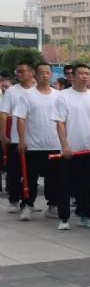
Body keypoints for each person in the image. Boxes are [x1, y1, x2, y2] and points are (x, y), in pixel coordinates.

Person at [52, 64, 90, 230]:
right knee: (66, 184)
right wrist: (65, 145)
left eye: (88, 74)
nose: (85, 76)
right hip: (71, 150)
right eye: (81, 73)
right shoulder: (63, 96)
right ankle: (64, 218)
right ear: (72, 76)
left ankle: (85, 215)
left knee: (88, 185)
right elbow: (60, 123)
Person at [14, 62, 61, 221]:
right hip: (33, 145)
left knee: (54, 179)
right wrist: (22, 140)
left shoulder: (58, 95)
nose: (44, 76)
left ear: (51, 74)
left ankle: (53, 206)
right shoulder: (27, 95)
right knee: (30, 178)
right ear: (35, 74)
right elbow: (21, 118)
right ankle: (27, 205)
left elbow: (63, 120)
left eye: (47, 72)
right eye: (41, 72)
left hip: (54, 145)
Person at [0, 61, 35, 213]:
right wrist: (3, 135)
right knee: (14, 172)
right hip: (15, 139)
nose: (19, 74)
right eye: (17, 71)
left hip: (35, 141)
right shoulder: (11, 91)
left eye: (23, 71)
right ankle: (13, 200)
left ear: (32, 72)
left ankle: (28, 202)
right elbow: (3, 114)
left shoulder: (38, 90)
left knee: (32, 174)